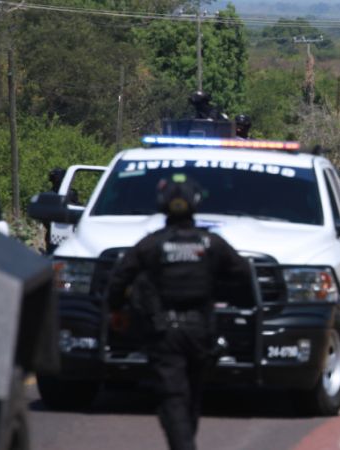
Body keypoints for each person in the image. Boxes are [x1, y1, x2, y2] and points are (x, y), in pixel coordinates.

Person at [107, 175, 251, 450]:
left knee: (173, 398)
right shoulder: (212, 244)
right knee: (191, 397)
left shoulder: (151, 244)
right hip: (200, 332)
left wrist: (116, 310)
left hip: (164, 333)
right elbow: (243, 274)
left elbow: (119, 278)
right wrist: (222, 298)